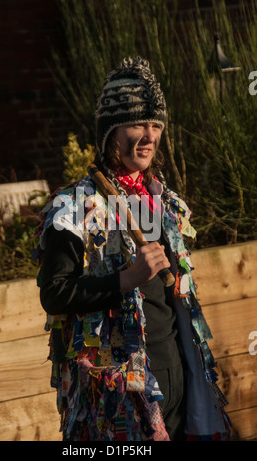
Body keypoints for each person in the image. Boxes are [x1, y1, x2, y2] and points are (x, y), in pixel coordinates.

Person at [35, 56, 231, 441]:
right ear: (110, 132)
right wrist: (126, 278)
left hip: (176, 369)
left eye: (155, 124)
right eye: (138, 123)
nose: (149, 135)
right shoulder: (73, 207)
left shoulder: (163, 200)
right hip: (117, 384)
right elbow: (54, 293)